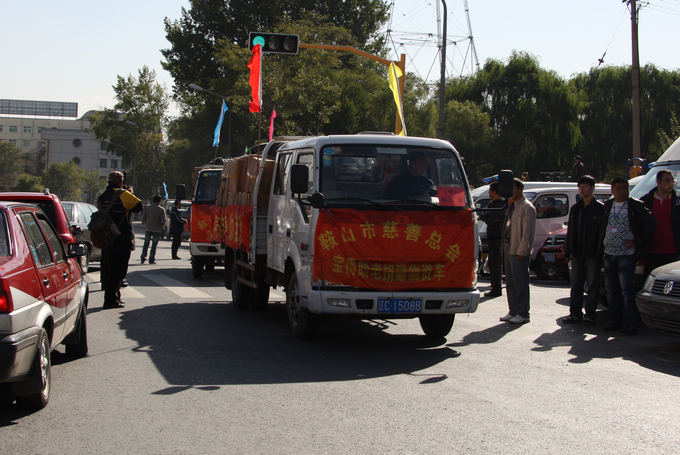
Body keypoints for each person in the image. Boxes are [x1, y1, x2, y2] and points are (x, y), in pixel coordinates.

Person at [597, 177, 656, 335]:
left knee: (627, 290)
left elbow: (651, 224)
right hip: (609, 254)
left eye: (625, 188)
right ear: (612, 190)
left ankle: (630, 323)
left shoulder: (636, 205)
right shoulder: (608, 206)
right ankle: (615, 320)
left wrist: (637, 241)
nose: (623, 192)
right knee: (611, 289)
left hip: (626, 255)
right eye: (619, 189)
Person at [562, 175, 605, 324]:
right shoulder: (576, 209)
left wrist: (600, 253)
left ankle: (590, 314)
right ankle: (575, 313)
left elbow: (602, 233)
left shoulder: (600, 209)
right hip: (577, 253)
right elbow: (570, 232)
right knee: (576, 285)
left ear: (592, 188)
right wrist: (567, 251)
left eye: (585, 186)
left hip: (593, 254)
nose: (582, 189)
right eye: (580, 187)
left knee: (592, 285)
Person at [97, 171, 142, 309]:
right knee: (119, 271)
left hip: (106, 238)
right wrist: (130, 192)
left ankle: (114, 298)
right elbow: (138, 207)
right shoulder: (123, 194)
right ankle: (110, 300)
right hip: (121, 238)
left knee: (110, 269)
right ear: (121, 182)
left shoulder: (102, 196)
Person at [500, 178, 536, 324]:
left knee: (521, 282)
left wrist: (523, 250)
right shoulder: (511, 206)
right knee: (510, 282)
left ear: (520, 189)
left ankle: (523, 313)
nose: (510, 192)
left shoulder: (527, 207)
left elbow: (528, 232)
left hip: (519, 248)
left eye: (513, 189)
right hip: (508, 245)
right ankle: (513, 310)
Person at [641, 170, 680, 276]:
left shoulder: (677, 202)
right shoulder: (646, 201)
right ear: (658, 182)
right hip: (650, 251)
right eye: (667, 181)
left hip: (673, 252)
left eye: (672, 181)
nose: (670, 184)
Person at [478, 182, 506, 297]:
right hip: (492, 237)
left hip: (497, 238)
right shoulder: (493, 204)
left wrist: (483, 216)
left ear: (495, 192)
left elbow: (492, 220)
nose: (489, 193)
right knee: (492, 264)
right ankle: (495, 286)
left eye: (490, 191)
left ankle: (496, 288)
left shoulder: (500, 205)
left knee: (495, 264)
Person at [140, 195, 166, 264]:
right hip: (157, 230)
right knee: (154, 245)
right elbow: (163, 221)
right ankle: (151, 259)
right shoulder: (161, 209)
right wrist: (163, 228)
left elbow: (143, 218)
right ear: (159, 201)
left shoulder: (147, 208)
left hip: (148, 228)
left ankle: (143, 257)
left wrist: (144, 223)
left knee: (146, 244)